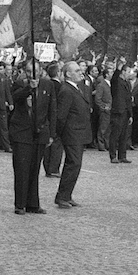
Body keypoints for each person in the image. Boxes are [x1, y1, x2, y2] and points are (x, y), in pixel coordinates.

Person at [8, 63, 55, 214]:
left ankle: (33, 203)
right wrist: (29, 88)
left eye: (34, 71)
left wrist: (51, 134)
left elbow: (52, 108)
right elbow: (14, 97)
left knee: (35, 169)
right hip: (22, 132)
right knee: (22, 169)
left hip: (40, 131)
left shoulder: (48, 84)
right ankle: (20, 204)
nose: (31, 74)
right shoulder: (19, 83)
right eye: (28, 71)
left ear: (41, 71)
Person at [55, 60, 93, 208]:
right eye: (77, 71)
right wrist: (60, 133)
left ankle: (66, 195)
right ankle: (62, 196)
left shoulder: (76, 88)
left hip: (78, 132)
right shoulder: (66, 90)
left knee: (74, 165)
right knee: (74, 164)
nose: (80, 73)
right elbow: (61, 115)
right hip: (72, 133)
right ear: (68, 74)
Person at [42, 62, 66, 174]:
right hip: (56, 118)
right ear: (58, 73)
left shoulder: (46, 84)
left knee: (48, 144)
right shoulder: (61, 87)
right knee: (56, 145)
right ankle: (54, 168)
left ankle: (47, 167)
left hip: (46, 118)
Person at [108, 63, 134, 164]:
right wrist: (118, 67)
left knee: (124, 135)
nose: (129, 74)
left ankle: (122, 155)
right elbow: (114, 77)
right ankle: (113, 155)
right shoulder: (116, 82)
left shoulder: (127, 83)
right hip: (117, 111)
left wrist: (130, 114)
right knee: (115, 134)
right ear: (123, 72)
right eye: (128, 72)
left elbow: (128, 99)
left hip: (126, 112)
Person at [93, 63, 112, 151]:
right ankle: (101, 144)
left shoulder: (112, 85)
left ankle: (107, 144)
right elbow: (98, 99)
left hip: (111, 109)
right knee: (102, 128)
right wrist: (103, 107)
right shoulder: (101, 85)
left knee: (108, 129)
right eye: (111, 72)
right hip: (105, 110)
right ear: (107, 75)